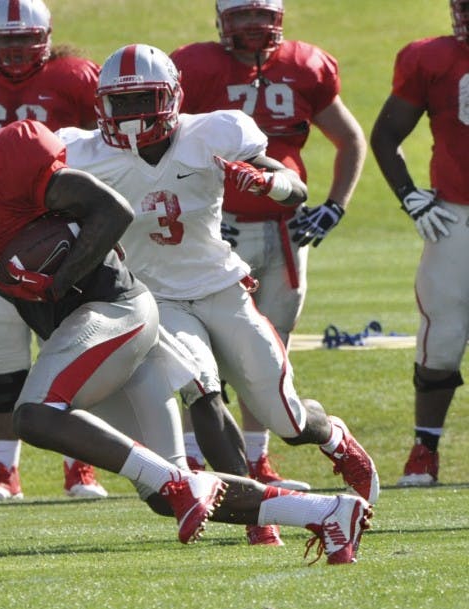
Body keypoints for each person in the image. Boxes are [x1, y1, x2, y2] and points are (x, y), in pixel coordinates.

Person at [0, 71, 373, 564]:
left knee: (33, 414)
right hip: (84, 338)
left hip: (115, 308)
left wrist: (56, 281)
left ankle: (193, 480)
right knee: (162, 490)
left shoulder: (7, 156)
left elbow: (111, 210)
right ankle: (327, 511)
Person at [55, 44, 380, 508]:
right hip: (154, 298)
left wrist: (270, 183)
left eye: (142, 99)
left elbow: (295, 191)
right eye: (119, 102)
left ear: (171, 97)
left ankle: (334, 438)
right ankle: (259, 511)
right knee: (202, 390)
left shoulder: (212, 132)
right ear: (101, 105)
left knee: (284, 417)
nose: (129, 114)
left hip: (220, 288)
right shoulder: (80, 151)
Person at [171, 0, 367, 490]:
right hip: (215, 232)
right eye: (242, 17)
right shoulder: (194, 68)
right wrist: (199, 214)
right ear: (221, 21)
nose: (253, 27)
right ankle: (199, 458)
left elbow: (350, 138)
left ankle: (257, 459)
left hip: (285, 229)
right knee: (199, 351)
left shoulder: (306, 66)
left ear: (279, 20)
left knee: (270, 349)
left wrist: (334, 205)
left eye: (262, 16)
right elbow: (165, 147)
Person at [0, 0, 107, 501]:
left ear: (47, 36)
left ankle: (82, 466)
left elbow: (107, 143)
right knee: (2, 359)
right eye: (5, 40)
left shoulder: (77, 77)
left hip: (55, 233)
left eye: (24, 39)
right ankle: (3, 470)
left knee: (69, 350)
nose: (14, 50)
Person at [370, 0, 469, 487]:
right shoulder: (430, 58)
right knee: (443, 339)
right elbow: (386, 133)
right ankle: (424, 449)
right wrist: (411, 197)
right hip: (456, 217)